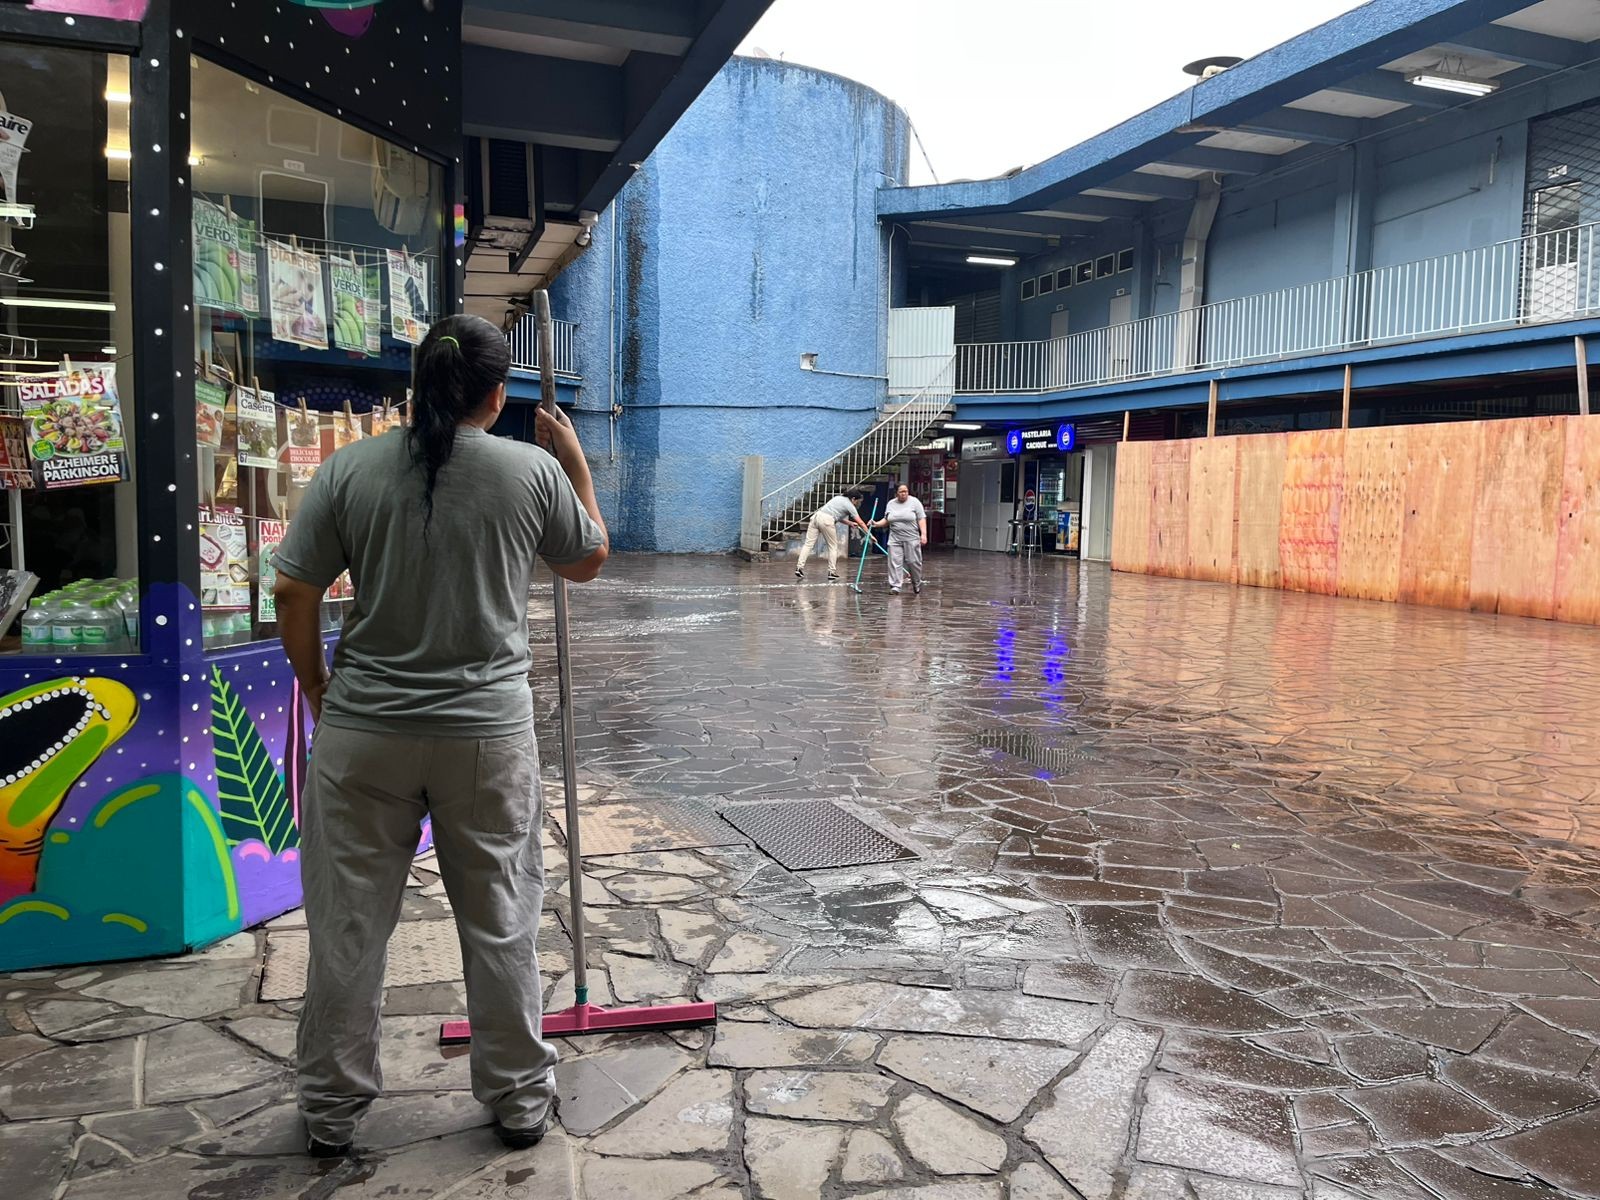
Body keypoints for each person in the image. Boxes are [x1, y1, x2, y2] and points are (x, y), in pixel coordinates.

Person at [271, 314, 608, 1160]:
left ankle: (331, 1110)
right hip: (486, 740)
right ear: (497, 397)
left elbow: (293, 592)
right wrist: (576, 465)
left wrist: (318, 687)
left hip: (364, 735)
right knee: (500, 917)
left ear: (416, 388)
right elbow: (587, 558)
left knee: (348, 926)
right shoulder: (530, 471)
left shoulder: (349, 468)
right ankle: (519, 1099)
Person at [795, 490, 870, 581]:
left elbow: (836, 516)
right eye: (859, 501)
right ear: (853, 499)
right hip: (826, 521)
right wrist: (870, 535)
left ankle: (799, 568)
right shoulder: (850, 505)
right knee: (833, 547)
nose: (859, 503)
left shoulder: (838, 498)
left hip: (816, 517)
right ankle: (832, 572)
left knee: (808, 544)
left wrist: (850, 523)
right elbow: (861, 522)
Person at [873, 483, 927, 595]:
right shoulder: (891, 504)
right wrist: (876, 524)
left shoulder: (915, 502)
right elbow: (887, 520)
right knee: (894, 562)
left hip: (911, 538)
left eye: (906, 491)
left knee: (913, 562)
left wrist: (923, 534)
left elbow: (921, 519)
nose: (904, 494)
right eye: (901, 492)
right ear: (896, 493)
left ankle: (916, 582)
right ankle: (895, 586)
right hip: (895, 538)